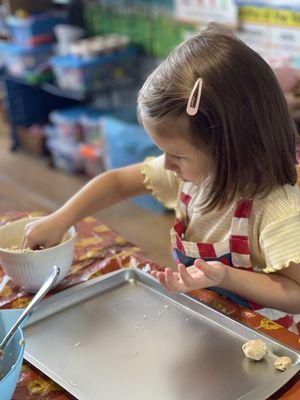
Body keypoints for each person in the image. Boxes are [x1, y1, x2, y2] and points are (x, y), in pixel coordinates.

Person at [23, 27, 300, 334]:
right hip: (206, 322)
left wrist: (226, 276)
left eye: (178, 156)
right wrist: (61, 218)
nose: (167, 164)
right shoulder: (192, 176)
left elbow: (296, 294)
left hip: (264, 340)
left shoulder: (275, 210)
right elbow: (116, 183)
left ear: (231, 149)